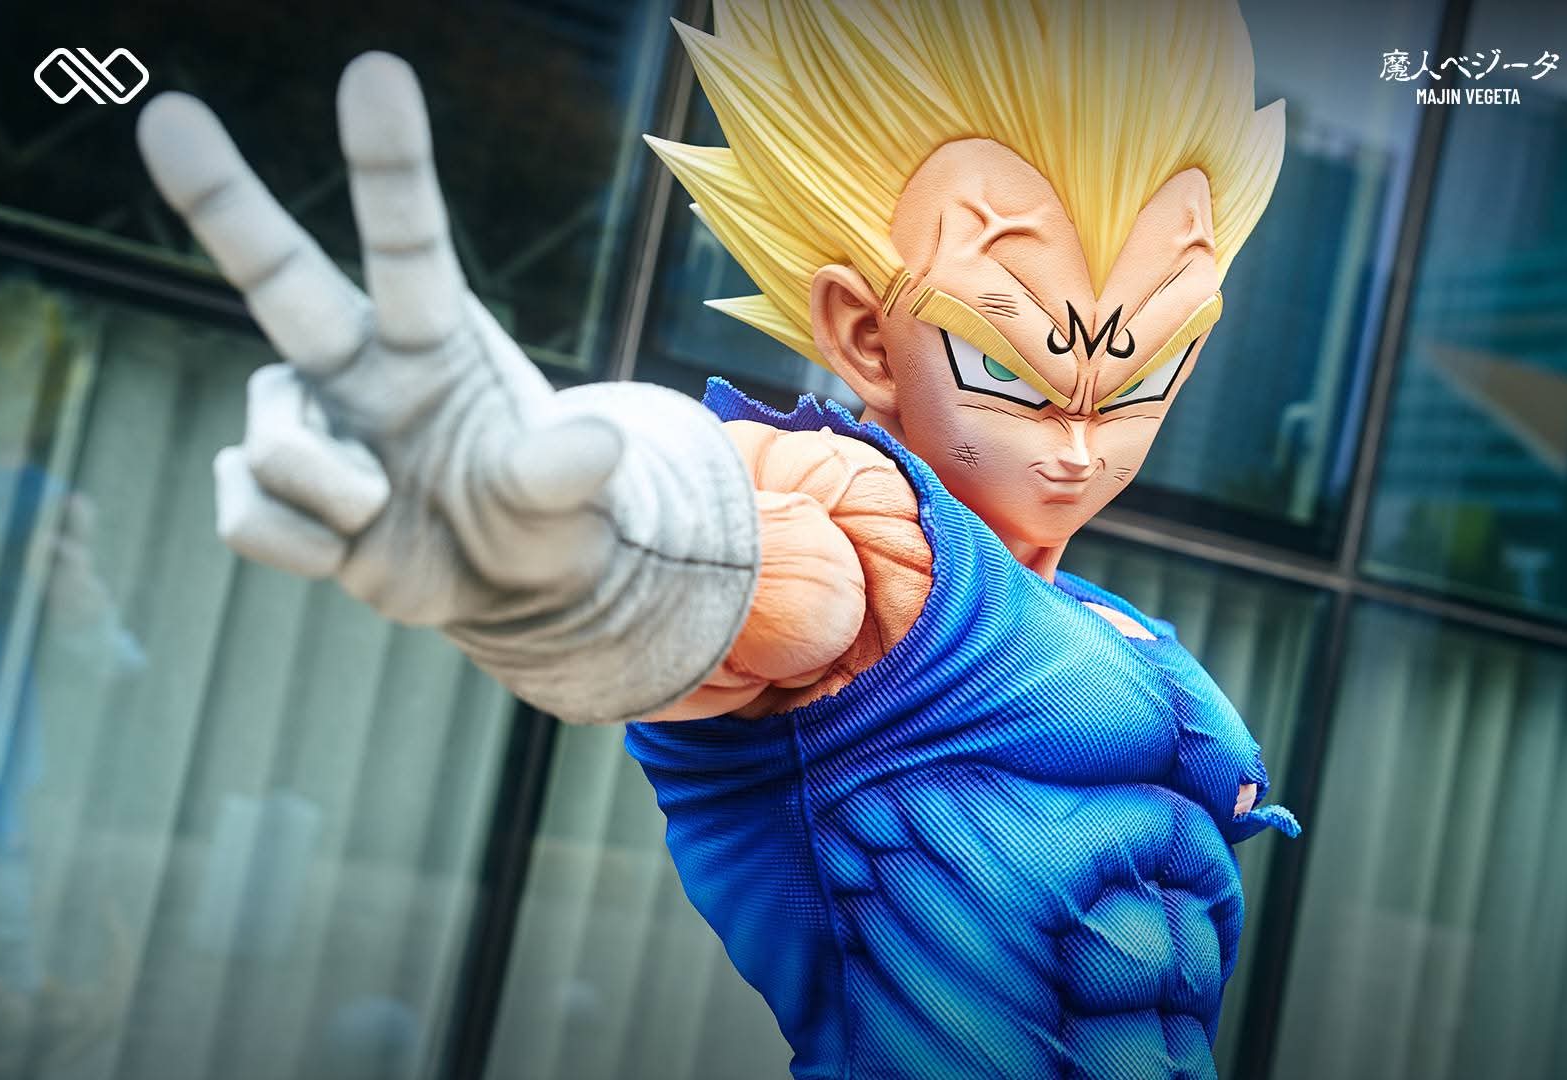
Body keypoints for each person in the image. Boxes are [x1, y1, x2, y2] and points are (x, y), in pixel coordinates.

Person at [134, 2, 1298, 1075]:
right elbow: (745, 562)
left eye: (1144, 373)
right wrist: (563, 559)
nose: (1080, 444)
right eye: (1010, 366)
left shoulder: (1106, 626)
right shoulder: (871, 531)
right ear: (864, 334)